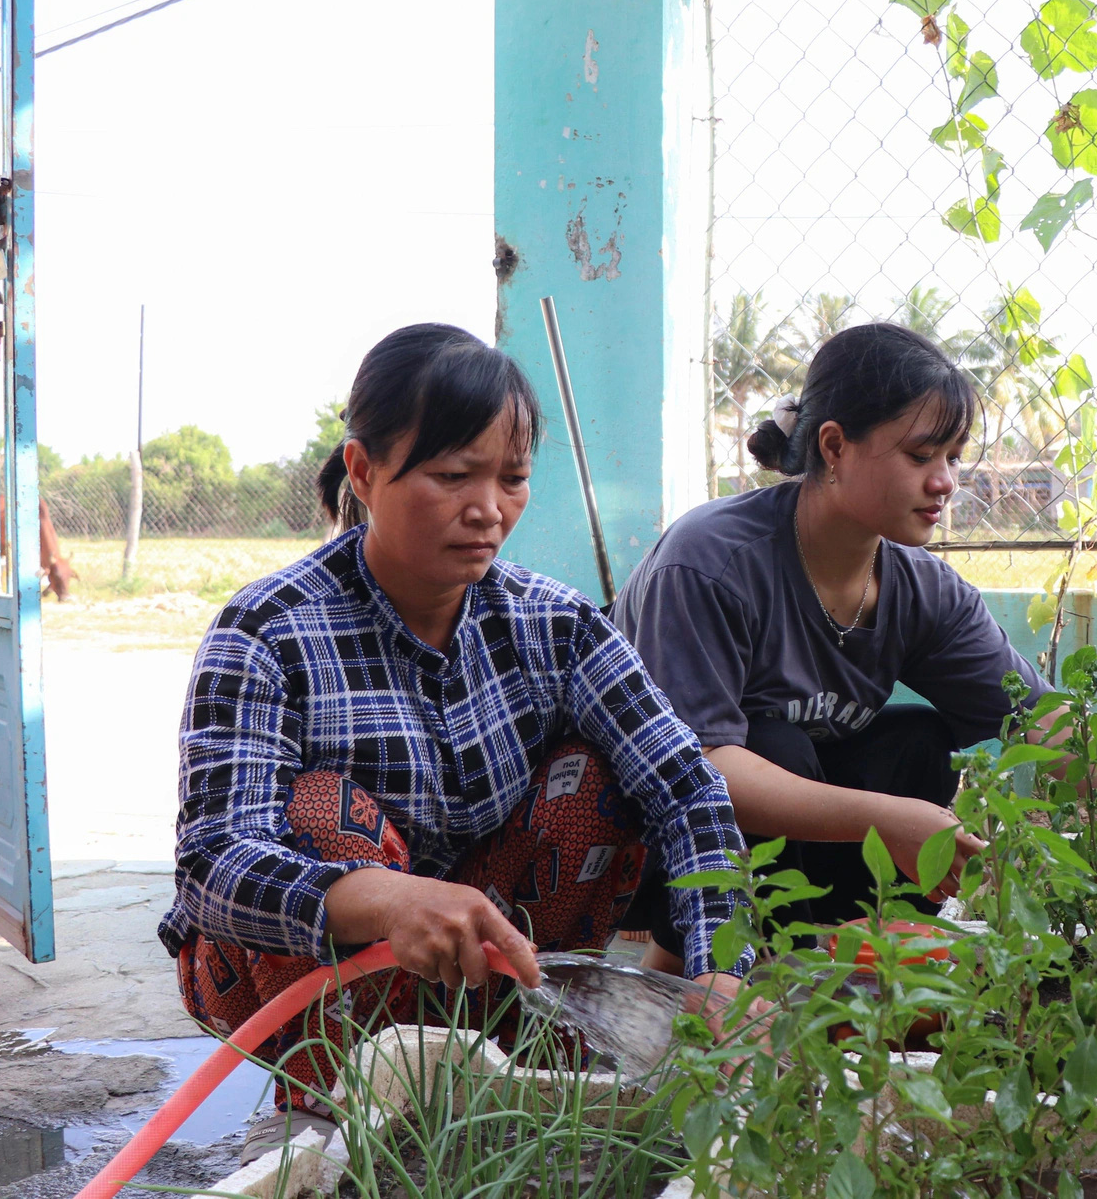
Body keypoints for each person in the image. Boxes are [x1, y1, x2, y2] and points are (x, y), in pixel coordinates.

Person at [159, 324, 749, 1164]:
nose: (488, 510)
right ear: (363, 472)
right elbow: (215, 861)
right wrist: (388, 899)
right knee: (323, 815)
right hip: (301, 968)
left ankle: (528, 1072)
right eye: (451, 476)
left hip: (488, 958)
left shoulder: (556, 624)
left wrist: (720, 968)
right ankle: (331, 1111)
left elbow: (687, 789)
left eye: (511, 480)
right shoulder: (267, 631)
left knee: (599, 783)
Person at [611, 323, 1097, 975]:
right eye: (921, 455)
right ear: (833, 447)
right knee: (778, 751)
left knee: (915, 744)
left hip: (774, 836)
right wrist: (889, 819)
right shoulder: (710, 563)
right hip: (626, 838)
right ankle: (687, 984)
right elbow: (699, 771)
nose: (946, 480)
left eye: (952, 456)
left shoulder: (919, 590)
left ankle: (837, 970)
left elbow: (1046, 724)